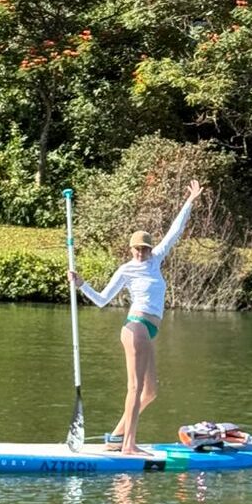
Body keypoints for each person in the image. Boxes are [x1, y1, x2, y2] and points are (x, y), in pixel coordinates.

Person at [69, 179, 202, 455]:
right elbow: (103, 300)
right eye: (137, 248)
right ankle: (129, 446)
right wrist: (82, 284)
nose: (141, 252)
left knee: (150, 391)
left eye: (145, 248)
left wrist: (189, 202)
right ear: (130, 249)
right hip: (136, 328)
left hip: (147, 332)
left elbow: (174, 232)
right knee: (135, 386)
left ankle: (116, 438)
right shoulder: (126, 270)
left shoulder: (156, 259)